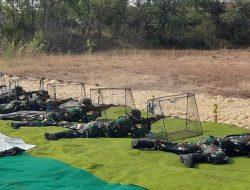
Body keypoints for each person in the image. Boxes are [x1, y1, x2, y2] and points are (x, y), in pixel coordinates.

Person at [131, 133, 250, 168]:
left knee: (178, 147)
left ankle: (144, 142)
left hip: (208, 142)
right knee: (221, 156)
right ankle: (192, 157)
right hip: (214, 143)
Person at [44, 109, 164, 140]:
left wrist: (152, 119)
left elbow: (140, 121)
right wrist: (147, 127)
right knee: (75, 134)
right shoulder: (128, 123)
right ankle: (55, 135)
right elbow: (135, 134)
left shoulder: (126, 118)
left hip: (97, 125)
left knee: (75, 126)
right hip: (96, 129)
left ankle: (60, 124)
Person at [2, 98, 113, 129]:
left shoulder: (76, 107)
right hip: (54, 117)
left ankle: (5, 117)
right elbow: (86, 121)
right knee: (39, 123)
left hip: (53, 114)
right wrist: (96, 115)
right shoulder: (80, 111)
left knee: (27, 115)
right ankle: (19, 124)